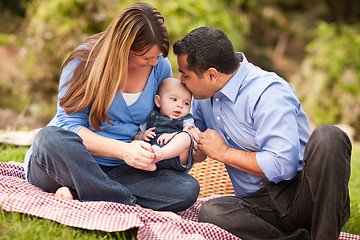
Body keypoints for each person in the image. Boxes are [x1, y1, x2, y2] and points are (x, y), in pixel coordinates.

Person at [173, 26, 352, 239]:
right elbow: (187, 131)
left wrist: (223, 153)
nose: (181, 80)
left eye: (185, 75)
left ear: (211, 74)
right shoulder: (203, 97)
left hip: (305, 195)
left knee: (329, 136)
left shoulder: (269, 92)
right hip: (259, 205)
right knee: (212, 211)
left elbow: (282, 166)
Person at [23, 3, 200, 216]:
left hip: (121, 170)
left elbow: (163, 116)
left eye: (158, 56)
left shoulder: (159, 66)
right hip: (72, 160)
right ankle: (125, 204)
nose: (155, 62)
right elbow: (68, 126)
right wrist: (123, 150)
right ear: (123, 48)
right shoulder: (83, 62)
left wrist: (169, 142)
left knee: (186, 188)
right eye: (146, 58)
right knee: (48, 139)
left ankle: (83, 191)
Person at [134, 77, 194, 170]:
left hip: (177, 157)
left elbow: (190, 134)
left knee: (185, 136)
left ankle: (162, 154)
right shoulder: (152, 115)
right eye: (174, 99)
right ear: (158, 101)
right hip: (152, 153)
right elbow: (137, 136)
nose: (180, 105)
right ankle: (147, 164)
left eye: (186, 103)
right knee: (135, 143)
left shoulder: (186, 119)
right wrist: (142, 136)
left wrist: (173, 135)